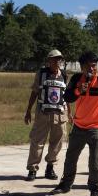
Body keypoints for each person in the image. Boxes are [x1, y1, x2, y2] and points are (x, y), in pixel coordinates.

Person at [50, 51, 98, 196]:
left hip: (96, 127)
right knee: (71, 157)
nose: (93, 68)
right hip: (79, 125)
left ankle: (95, 188)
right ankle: (65, 184)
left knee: (95, 160)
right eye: (89, 66)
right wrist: (79, 90)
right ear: (82, 67)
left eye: (95, 65)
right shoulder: (77, 78)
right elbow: (67, 97)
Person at [24, 49, 70, 181]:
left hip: (60, 114)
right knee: (37, 141)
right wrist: (28, 111)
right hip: (43, 113)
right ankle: (32, 169)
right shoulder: (41, 74)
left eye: (59, 59)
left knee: (57, 142)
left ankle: (50, 168)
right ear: (48, 60)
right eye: (54, 59)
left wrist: (70, 113)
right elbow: (34, 92)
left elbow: (66, 96)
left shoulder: (64, 75)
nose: (57, 61)